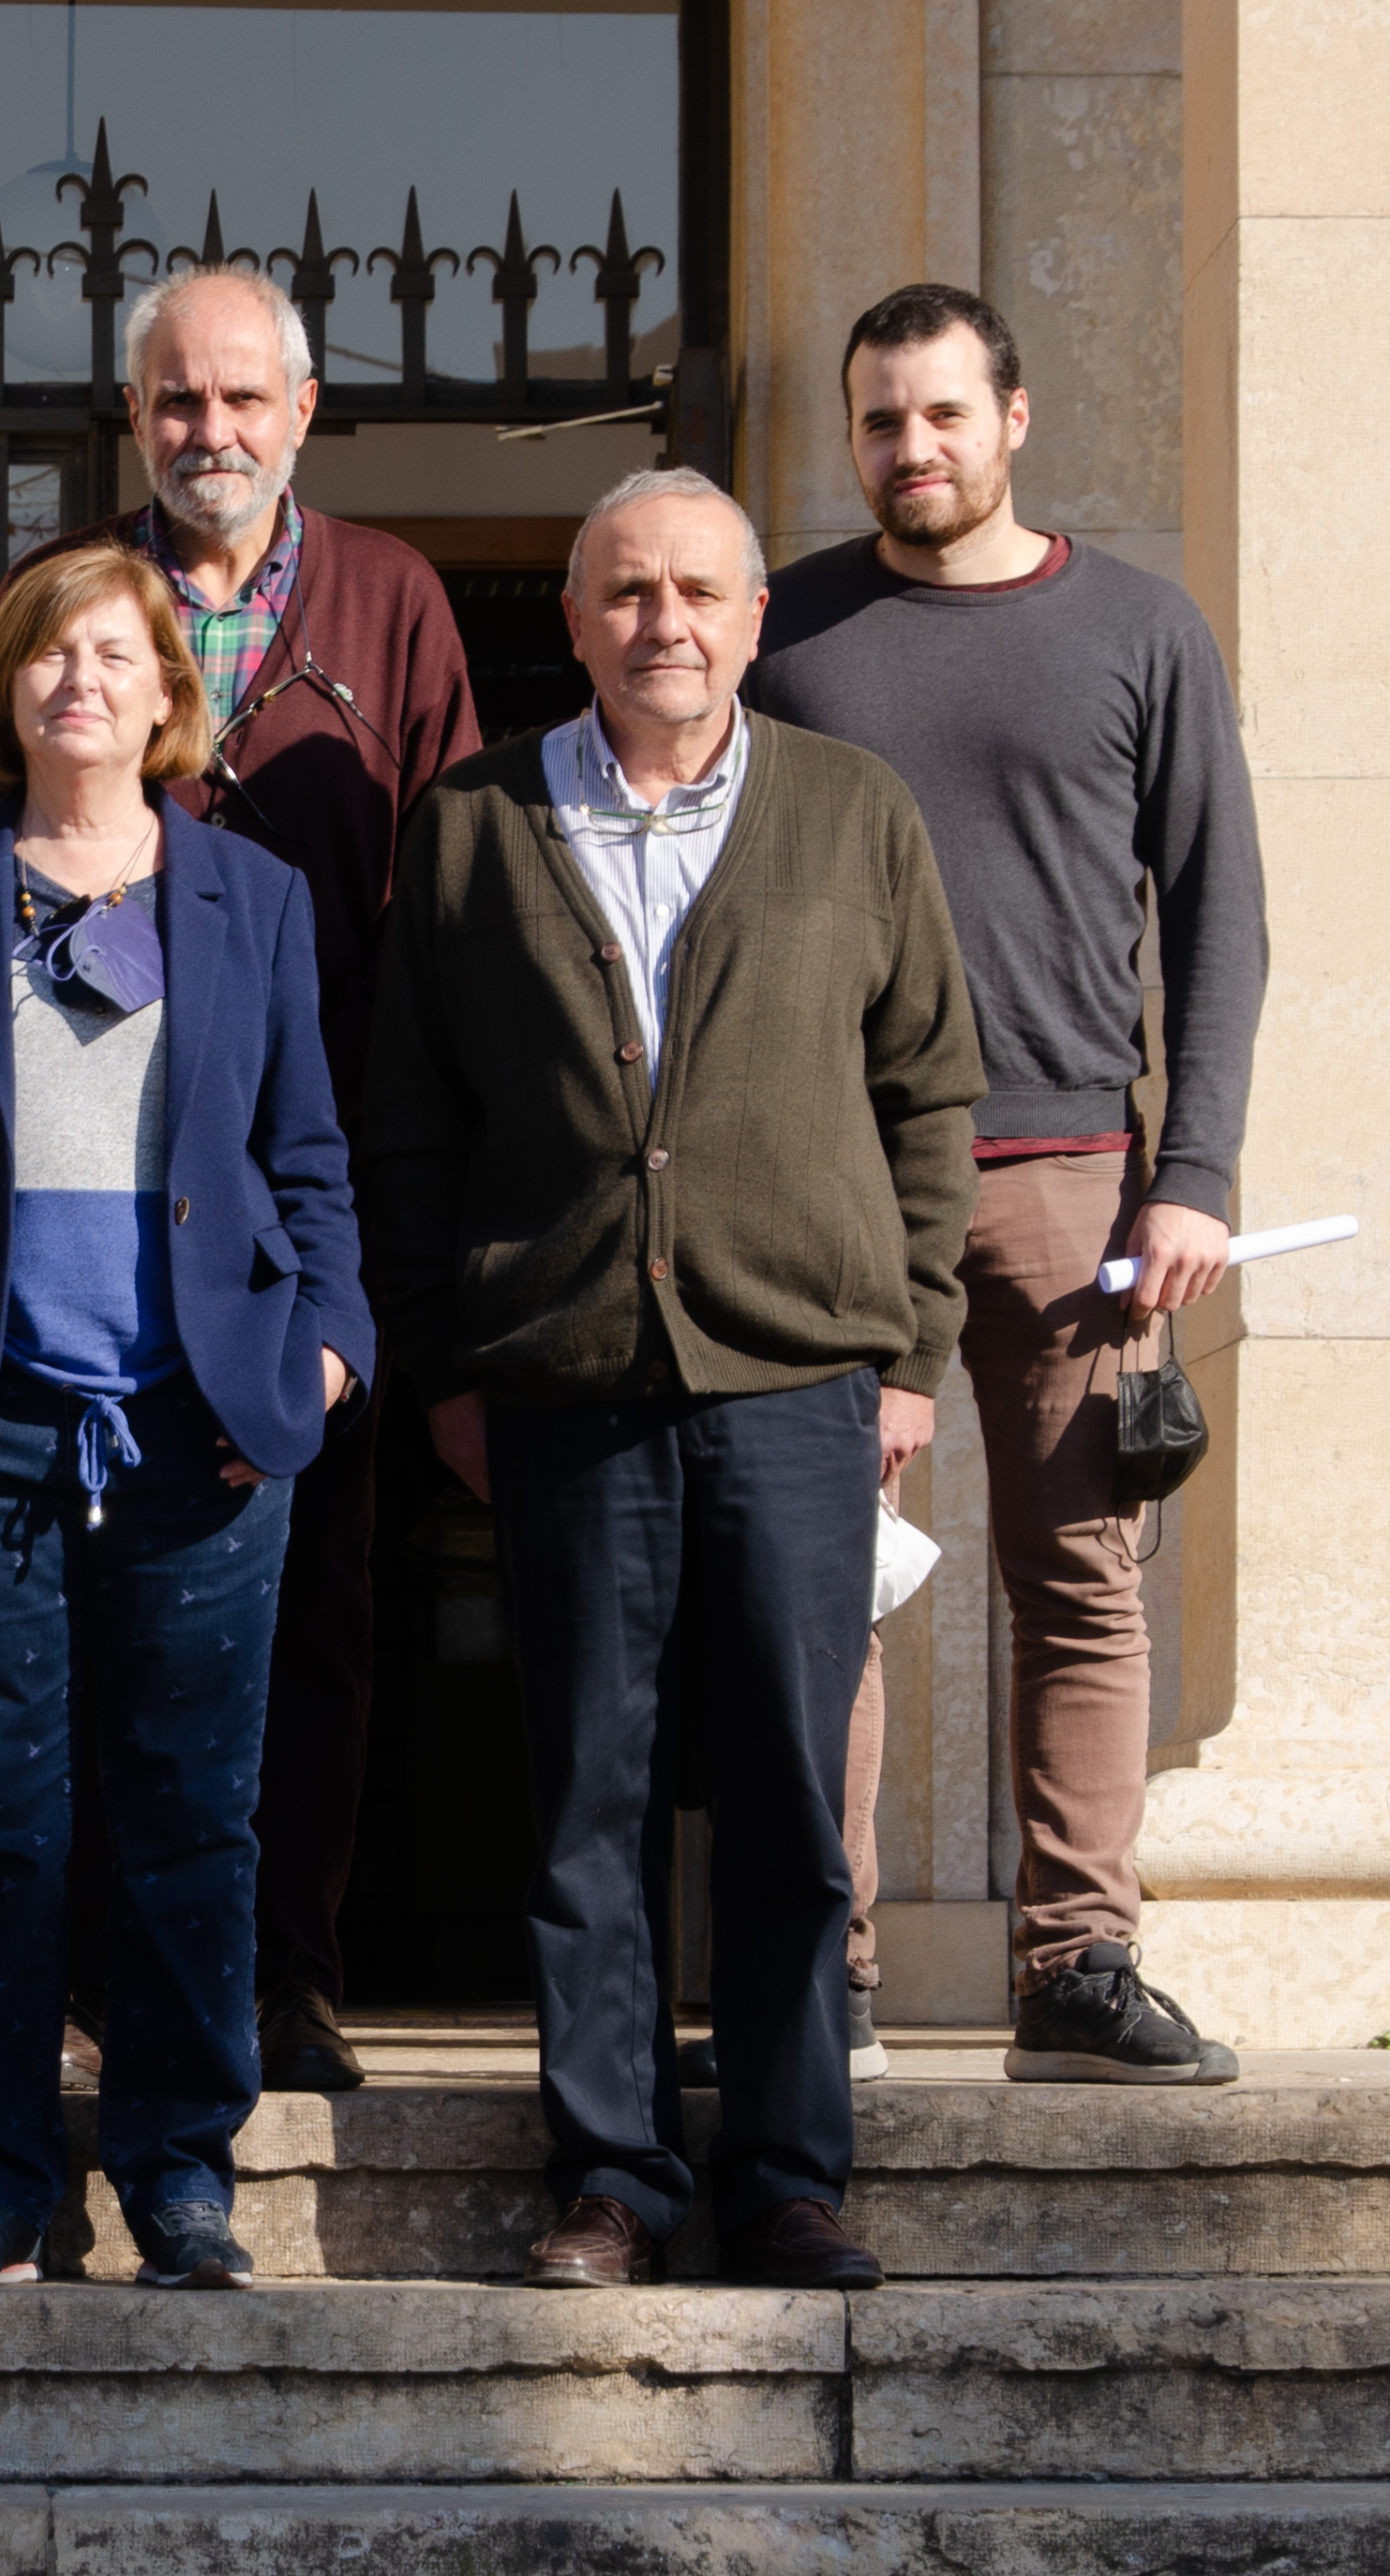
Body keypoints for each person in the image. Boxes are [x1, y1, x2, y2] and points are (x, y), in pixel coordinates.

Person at [366, 469, 979, 2296]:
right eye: (627, 592)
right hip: (560, 1389)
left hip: (802, 1380)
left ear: (751, 617)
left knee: (792, 1797)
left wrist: (910, 1355)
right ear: (576, 620)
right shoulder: (471, 828)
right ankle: (612, 2175)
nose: (665, 625)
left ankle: (787, 2172)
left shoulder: (849, 814)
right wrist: (451, 1361)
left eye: (699, 592)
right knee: (588, 1802)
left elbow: (927, 1096)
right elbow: (407, 1126)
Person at [0, 263, 475, 2097]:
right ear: (133, 416)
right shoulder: (73, 599)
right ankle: (88, 1989)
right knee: (67, 1629)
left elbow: (460, 897)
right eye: (176, 403)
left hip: (300, 1206)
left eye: (242, 401)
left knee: (311, 1609)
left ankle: (286, 1978)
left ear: (302, 413)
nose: (209, 434)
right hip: (75, 1215)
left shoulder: (390, 601)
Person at [0, 540, 369, 2293]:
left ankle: (179, 2164)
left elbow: (310, 1156)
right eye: (49, 654)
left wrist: (332, 1343)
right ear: (7, 689)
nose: (82, 682)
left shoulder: (249, 896)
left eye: (115, 654)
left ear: (164, 691)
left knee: (193, 1806)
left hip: (200, 1412)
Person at [749, 284, 1263, 2090]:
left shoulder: (1139, 628)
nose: (914, 449)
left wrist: (1187, 1172)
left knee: (1084, 1576)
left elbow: (1218, 914)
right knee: (822, 1581)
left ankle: (1078, 1963)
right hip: (823, 1182)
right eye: (882, 421)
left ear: (1016, 417)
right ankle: (828, 1975)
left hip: (1069, 1180)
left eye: (945, 415)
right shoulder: (783, 631)